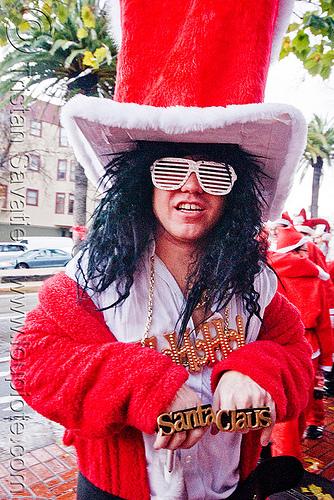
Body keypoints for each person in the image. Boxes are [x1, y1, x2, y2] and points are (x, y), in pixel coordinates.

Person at [11, 1, 312, 499]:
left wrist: (257, 370)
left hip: (231, 486)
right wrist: (145, 386)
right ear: (141, 184)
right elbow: (34, 362)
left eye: (213, 176)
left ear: (233, 194)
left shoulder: (254, 277)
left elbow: (297, 356)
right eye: (169, 172)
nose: (190, 190)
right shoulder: (95, 273)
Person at [269, 225, 333, 450]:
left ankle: (275, 450)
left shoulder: (264, 274)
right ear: (296, 251)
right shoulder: (317, 279)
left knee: (278, 407)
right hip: (308, 349)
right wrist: (326, 362)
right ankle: (288, 459)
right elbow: (324, 325)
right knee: (299, 406)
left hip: (272, 349)